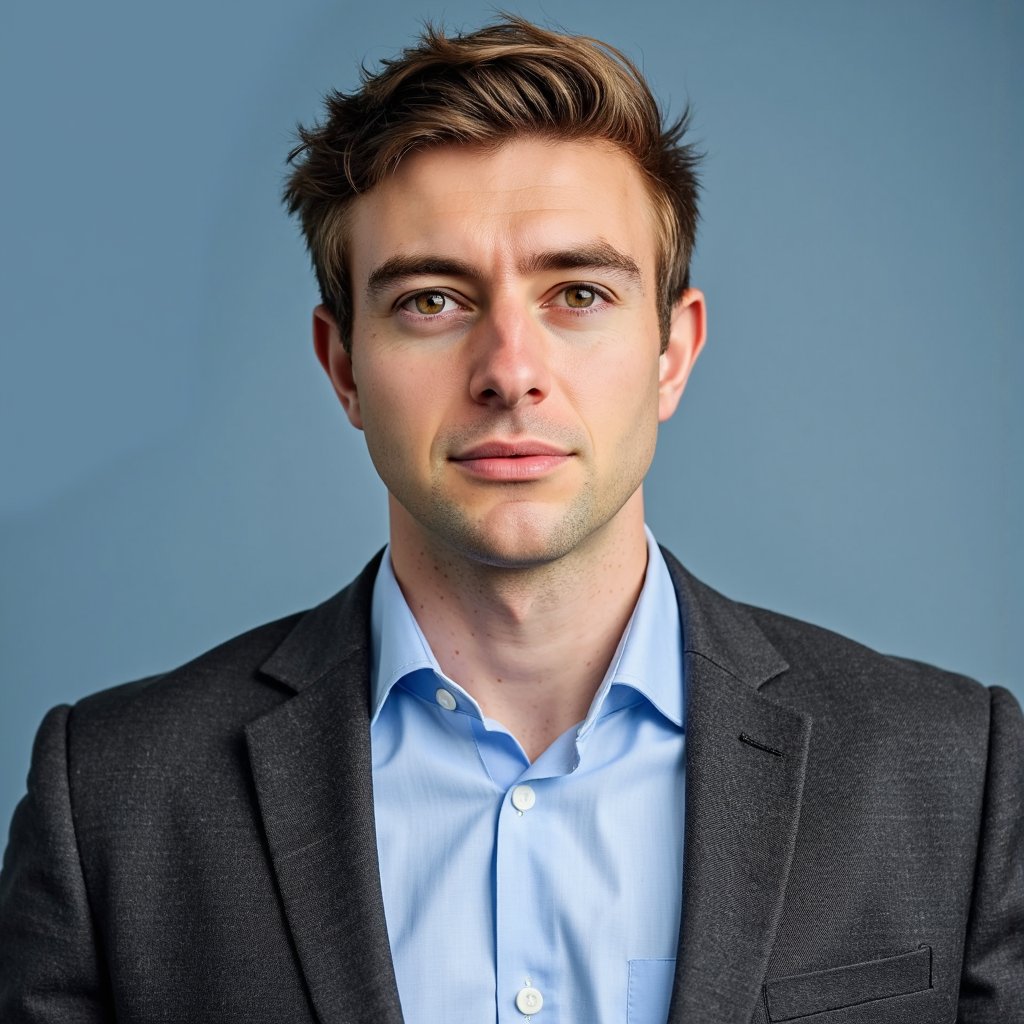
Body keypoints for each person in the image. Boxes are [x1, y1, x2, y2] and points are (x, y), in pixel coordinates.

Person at [0, 15, 1020, 1024]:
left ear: (672, 351)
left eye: (576, 291)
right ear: (343, 365)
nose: (510, 373)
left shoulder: (953, 775)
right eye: (431, 301)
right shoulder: (113, 801)